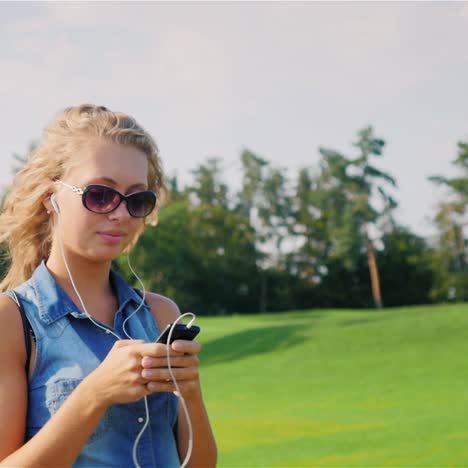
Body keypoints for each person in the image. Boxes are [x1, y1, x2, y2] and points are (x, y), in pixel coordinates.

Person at [0, 104, 217, 467]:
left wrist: (190, 393)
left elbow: (201, 464)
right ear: (50, 196)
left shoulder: (161, 313)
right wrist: (94, 395)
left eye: (137, 200)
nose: (119, 213)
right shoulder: (13, 321)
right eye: (100, 194)